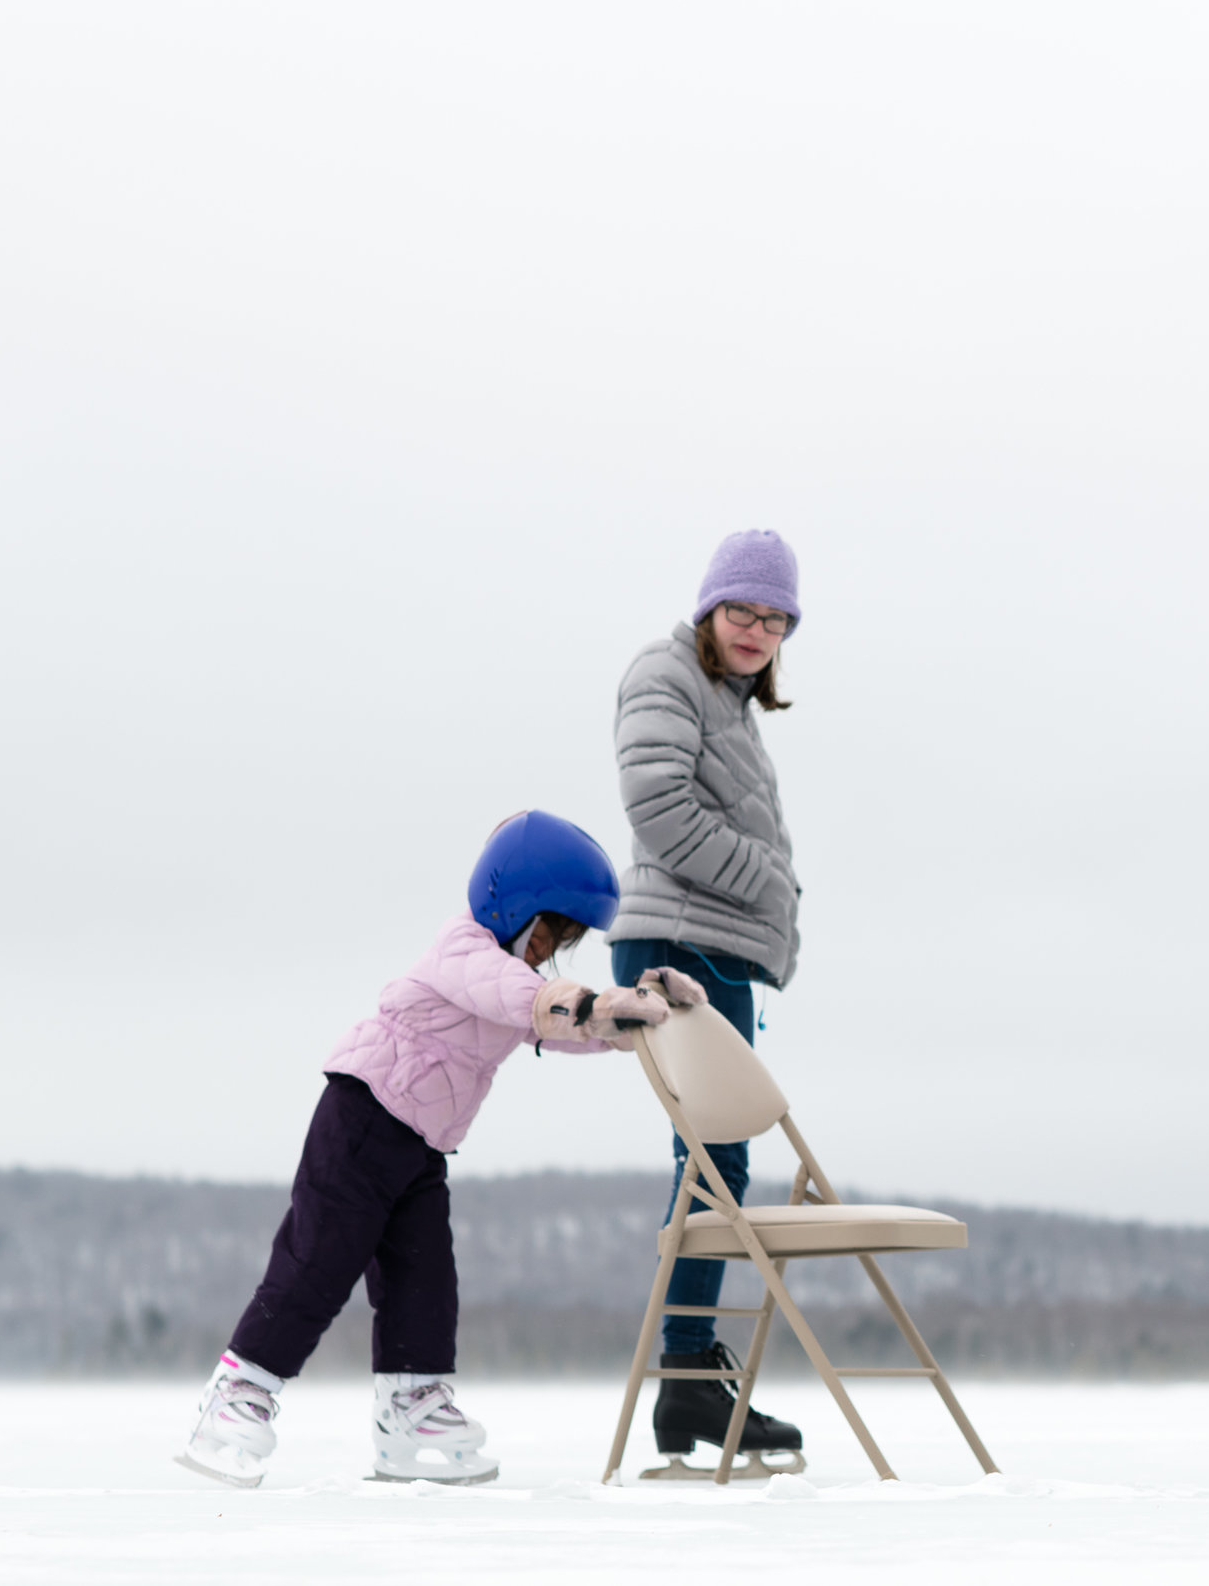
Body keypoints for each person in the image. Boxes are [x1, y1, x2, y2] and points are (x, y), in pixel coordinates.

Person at [175, 811, 707, 1489]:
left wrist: (640, 1009)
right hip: (361, 1118)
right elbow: (525, 997)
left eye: (563, 940)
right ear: (510, 900)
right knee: (318, 1263)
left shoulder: (522, 980)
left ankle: (411, 1407)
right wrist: (590, 1005)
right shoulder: (466, 950)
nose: (548, 949)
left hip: (421, 1144)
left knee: (424, 1277)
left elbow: (561, 1023)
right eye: (548, 930)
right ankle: (238, 1393)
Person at [609, 528, 808, 1470]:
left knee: (715, 1163)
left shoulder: (734, 703)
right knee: (713, 1163)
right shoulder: (665, 671)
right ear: (708, 607)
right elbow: (657, 806)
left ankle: (689, 1379)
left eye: (775, 619)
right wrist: (765, 879)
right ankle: (686, 1373)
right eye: (743, 611)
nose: (757, 631)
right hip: (680, 944)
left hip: (711, 943)